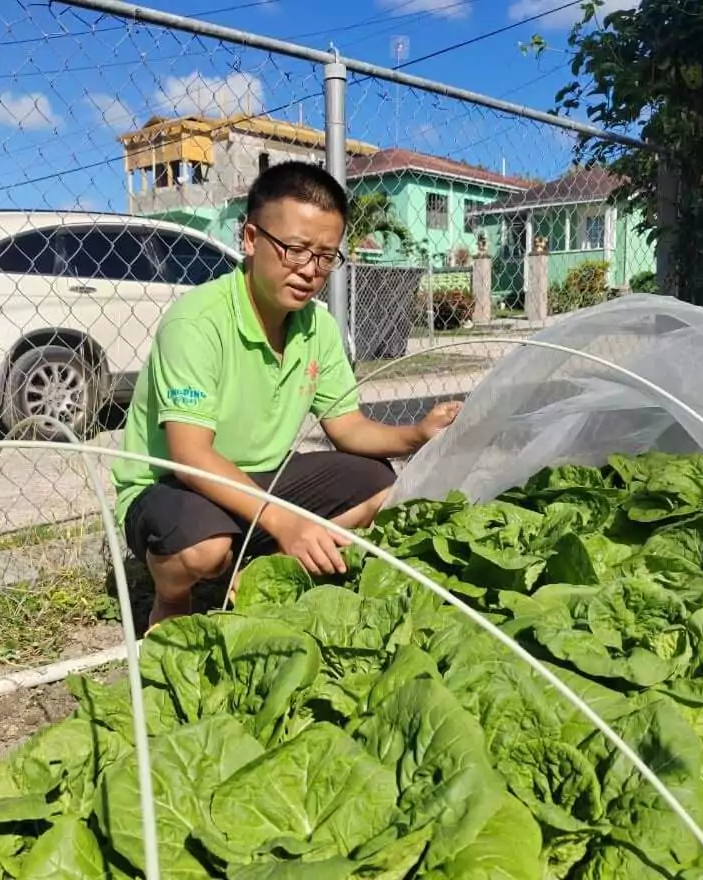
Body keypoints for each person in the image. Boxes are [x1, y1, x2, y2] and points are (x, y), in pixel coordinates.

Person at [111, 160, 462, 628]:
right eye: (295, 250)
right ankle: (173, 597)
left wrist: (418, 433)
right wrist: (284, 521)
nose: (309, 271)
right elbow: (190, 455)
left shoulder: (317, 325)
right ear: (251, 240)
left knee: (378, 482)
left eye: (325, 256)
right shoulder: (197, 322)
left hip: (260, 484)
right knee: (203, 549)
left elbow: (348, 427)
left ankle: (264, 571)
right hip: (173, 485)